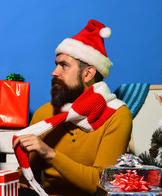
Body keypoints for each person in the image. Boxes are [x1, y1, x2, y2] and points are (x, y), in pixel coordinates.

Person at [13, 19, 132, 196]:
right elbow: (27, 181)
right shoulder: (45, 113)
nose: (54, 72)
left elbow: (102, 185)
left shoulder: (116, 115)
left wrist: (49, 153)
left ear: (88, 74)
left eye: (64, 65)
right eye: (56, 64)